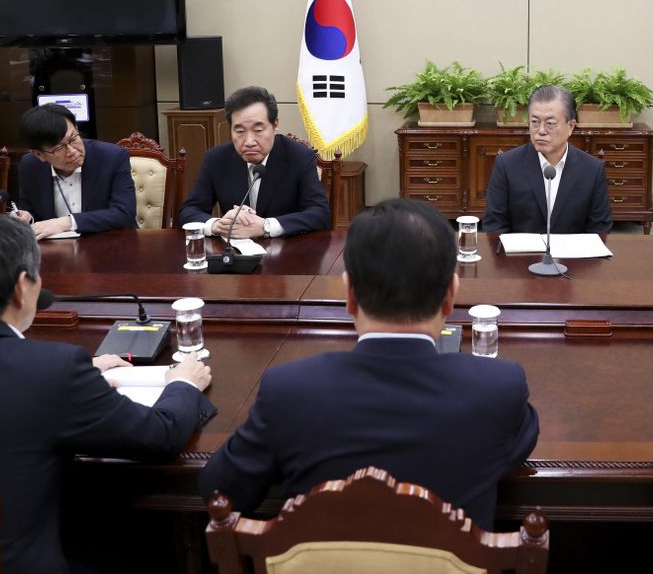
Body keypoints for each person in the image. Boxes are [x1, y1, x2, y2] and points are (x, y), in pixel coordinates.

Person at [0, 213, 215, 574]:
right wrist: (183, 383)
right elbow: (159, 435)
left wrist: (80, 377)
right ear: (23, 287)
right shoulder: (53, 370)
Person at [199, 198, 539, 527]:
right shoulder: (498, 389)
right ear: (451, 295)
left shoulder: (288, 392)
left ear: (349, 296)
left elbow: (218, 492)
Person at [178, 85, 330, 237]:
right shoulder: (217, 159)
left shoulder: (299, 157)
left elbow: (320, 214)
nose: (249, 141)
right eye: (240, 131)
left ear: (275, 125)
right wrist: (218, 225)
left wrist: (266, 226)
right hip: (233, 253)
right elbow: (188, 211)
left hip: (288, 252)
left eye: (258, 130)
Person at [481, 84, 612, 235]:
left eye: (550, 123)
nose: (541, 131)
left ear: (571, 126)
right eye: (535, 122)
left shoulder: (592, 169)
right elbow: (494, 225)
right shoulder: (507, 164)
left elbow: (600, 229)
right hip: (521, 256)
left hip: (572, 257)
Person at [13, 102, 137, 238]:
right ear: (39, 154)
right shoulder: (30, 165)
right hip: (56, 250)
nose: (72, 151)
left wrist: (67, 222)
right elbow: (31, 211)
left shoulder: (112, 157)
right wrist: (26, 217)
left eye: (73, 138)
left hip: (111, 245)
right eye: (59, 148)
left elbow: (124, 213)